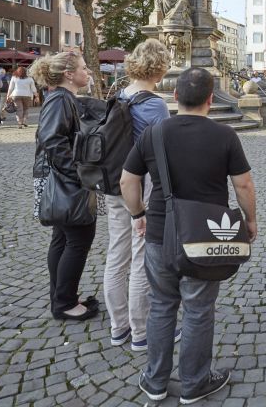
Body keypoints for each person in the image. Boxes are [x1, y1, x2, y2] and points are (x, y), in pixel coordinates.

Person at [120, 68, 257, 404]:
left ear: (176, 96)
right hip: (206, 236)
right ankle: (195, 383)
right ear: (211, 99)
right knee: (198, 309)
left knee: (162, 306)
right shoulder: (224, 136)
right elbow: (243, 184)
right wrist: (250, 220)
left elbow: (127, 181)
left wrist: (137, 214)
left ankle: (155, 381)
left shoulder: (153, 133)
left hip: (158, 233)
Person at [104, 40, 174, 353]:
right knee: (141, 256)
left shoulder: (118, 95)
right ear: (160, 68)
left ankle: (118, 327)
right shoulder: (155, 104)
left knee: (116, 254)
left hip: (113, 182)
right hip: (141, 184)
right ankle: (141, 332)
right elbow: (166, 148)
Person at [29, 52, 99, 321]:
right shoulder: (60, 99)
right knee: (79, 239)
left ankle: (62, 297)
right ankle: (64, 303)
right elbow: (52, 139)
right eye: (83, 68)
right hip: (63, 178)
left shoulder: (62, 98)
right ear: (69, 74)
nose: (88, 71)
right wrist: (77, 174)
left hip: (57, 177)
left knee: (63, 238)